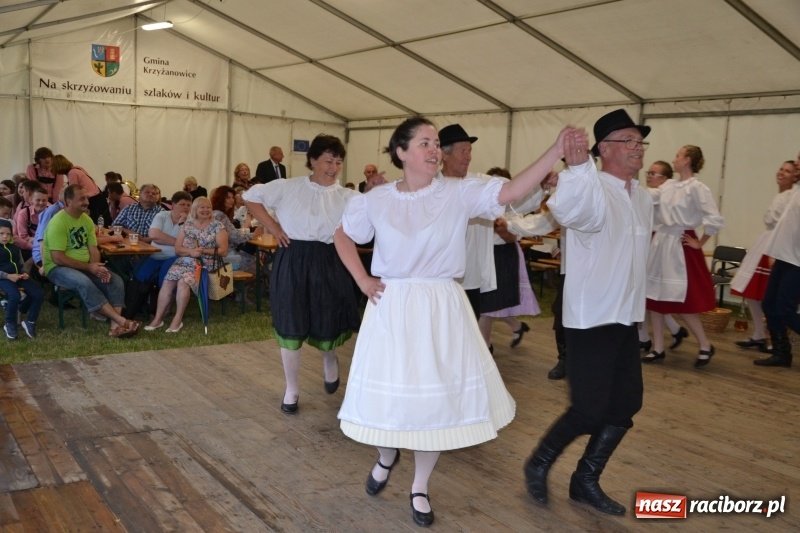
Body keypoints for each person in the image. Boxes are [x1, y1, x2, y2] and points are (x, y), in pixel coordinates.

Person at [334, 117, 571, 527]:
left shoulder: (459, 193)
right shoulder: (377, 199)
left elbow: (512, 190)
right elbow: (342, 235)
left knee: (435, 404)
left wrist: (556, 150)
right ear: (401, 152)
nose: (434, 149)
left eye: (437, 143)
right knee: (394, 397)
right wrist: (362, 277)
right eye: (424, 142)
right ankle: (386, 455)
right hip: (391, 304)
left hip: (441, 304)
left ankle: (420, 485)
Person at [524, 109, 653, 517]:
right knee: (588, 408)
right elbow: (573, 212)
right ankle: (539, 462)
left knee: (626, 403)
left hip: (624, 314)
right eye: (629, 141)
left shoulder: (643, 196)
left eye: (640, 142)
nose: (638, 149)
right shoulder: (590, 186)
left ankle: (585, 480)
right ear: (604, 149)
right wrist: (578, 169)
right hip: (591, 315)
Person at [244, 134, 360, 415]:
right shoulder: (287, 187)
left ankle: (330, 359)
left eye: (338, 162)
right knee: (290, 321)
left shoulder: (349, 196)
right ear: (312, 161)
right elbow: (249, 197)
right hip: (293, 258)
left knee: (327, 318)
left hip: (330, 260)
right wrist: (272, 226)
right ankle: (291, 389)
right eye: (328, 161)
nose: (333, 167)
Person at [643, 145, 723, 367]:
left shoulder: (697, 188)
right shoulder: (670, 186)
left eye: (678, 155)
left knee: (683, 300)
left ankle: (705, 344)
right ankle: (658, 348)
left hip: (680, 244)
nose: (675, 158)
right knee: (654, 297)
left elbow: (714, 218)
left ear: (687, 160)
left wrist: (700, 242)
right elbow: (648, 196)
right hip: (662, 243)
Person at [43, 185, 140, 338]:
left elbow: (93, 248)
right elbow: (58, 257)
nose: (86, 201)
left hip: (84, 266)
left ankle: (115, 328)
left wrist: (96, 267)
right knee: (84, 282)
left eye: (86, 197)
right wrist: (89, 267)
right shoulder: (58, 222)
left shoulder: (86, 220)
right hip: (57, 268)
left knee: (115, 280)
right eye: (81, 198)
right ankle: (121, 320)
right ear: (68, 201)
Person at [731, 160, 798, 353]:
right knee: (760, 298)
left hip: (781, 250)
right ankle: (766, 339)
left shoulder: (791, 195)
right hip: (771, 245)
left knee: (776, 302)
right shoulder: (787, 195)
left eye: (788, 171)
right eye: (781, 169)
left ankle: (772, 341)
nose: (783, 173)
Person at [145, 197, 228, 333]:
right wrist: (191, 251)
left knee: (183, 282)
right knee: (168, 281)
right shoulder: (187, 225)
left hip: (205, 263)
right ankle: (158, 319)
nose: (206, 210)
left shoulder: (217, 226)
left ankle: (177, 320)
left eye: (208, 207)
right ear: (195, 209)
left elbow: (223, 251)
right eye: (202, 207)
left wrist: (203, 251)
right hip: (185, 260)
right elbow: (178, 249)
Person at [637, 161, 689, 352]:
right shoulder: (654, 192)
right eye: (648, 173)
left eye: (654, 173)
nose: (649, 176)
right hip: (648, 240)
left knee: (646, 291)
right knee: (644, 291)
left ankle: (645, 337)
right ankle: (672, 330)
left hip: (655, 242)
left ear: (665, 178)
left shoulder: (661, 192)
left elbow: (641, 197)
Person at [755, 150, 800, 368]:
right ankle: (782, 353)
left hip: (797, 262)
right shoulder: (795, 191)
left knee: (784, 309)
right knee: (769, 304)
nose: (798, 162)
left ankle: (782, 352)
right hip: (783, 256)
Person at [0, 219, 44, 339]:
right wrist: (8, 276)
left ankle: (30, 322)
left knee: (38, 293)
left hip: (18, 275)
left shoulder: (14, 247)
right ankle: (9, 323)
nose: (5, 236)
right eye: (1, 233)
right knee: (15, 295)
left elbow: (21, 263)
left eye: (8, 234)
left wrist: (24, 273)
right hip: (3, 278)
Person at [210, 185, 262, 273]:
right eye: (228, 198)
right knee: (257, 267)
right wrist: (254, 235)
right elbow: (235, 237)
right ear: (220, 199)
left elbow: (231, 233)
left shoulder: (215, 213)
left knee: (254, 259)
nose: (232, 200)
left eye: (232, 197)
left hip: (218, 254)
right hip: (224, 256)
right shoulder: (220, 215)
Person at [50, 155, 106, 223]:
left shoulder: (72, 173)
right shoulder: (77, 169)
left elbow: (72, 193)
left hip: (93, 201)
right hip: (99, 198)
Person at [13, 183, 49, 261]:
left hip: (48, 246)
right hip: (29, 248)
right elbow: (23, 237)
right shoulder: (24, 213)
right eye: (38, 200)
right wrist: (38, 245)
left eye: (44, 200)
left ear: (47, 201)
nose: (41, 203)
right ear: (32, 200)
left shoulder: (52, 212)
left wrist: (34, 239)